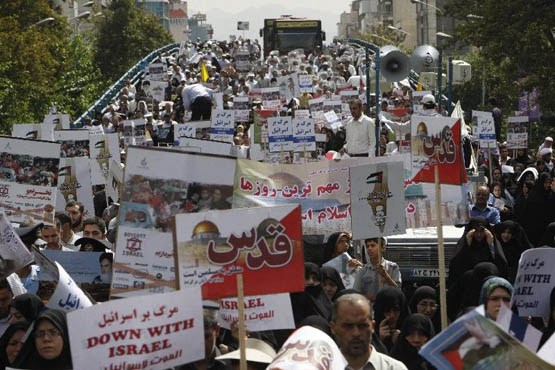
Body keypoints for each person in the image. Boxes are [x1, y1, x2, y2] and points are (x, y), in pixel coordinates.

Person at [330, 293, 408, 370]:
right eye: (348, 326)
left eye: (362, 326)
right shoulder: (321, 367)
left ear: (373, 326)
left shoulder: (394, 368)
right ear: (333, 328)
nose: (356, 333)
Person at [353, 237, 401, 303]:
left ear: (383, 248)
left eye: (373, 245)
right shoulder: (363, 270)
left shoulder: (392, 267)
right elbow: (355, 293)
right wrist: (367, 297)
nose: (369, 248)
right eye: (367, 246)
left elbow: (398, 291)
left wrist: (386, 276)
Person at [373, 287, 409, 353]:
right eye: (387, 311)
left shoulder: (411, 329)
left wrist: (401, 341)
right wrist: (379, 341)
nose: (392, 315)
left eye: (396, 310)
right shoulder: (370, 331)